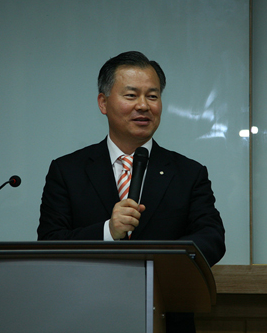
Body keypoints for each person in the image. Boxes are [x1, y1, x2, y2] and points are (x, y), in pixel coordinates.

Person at [37, 51, 226, 332]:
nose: (144, 106)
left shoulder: (189, 173)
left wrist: (158, 263)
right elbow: (49, 243)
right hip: (85, 317)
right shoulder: (67, 170)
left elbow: (212, 238)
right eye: (131, 95)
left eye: (152, 96)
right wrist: (107, 231)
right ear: (103, 102)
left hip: (166, 318)